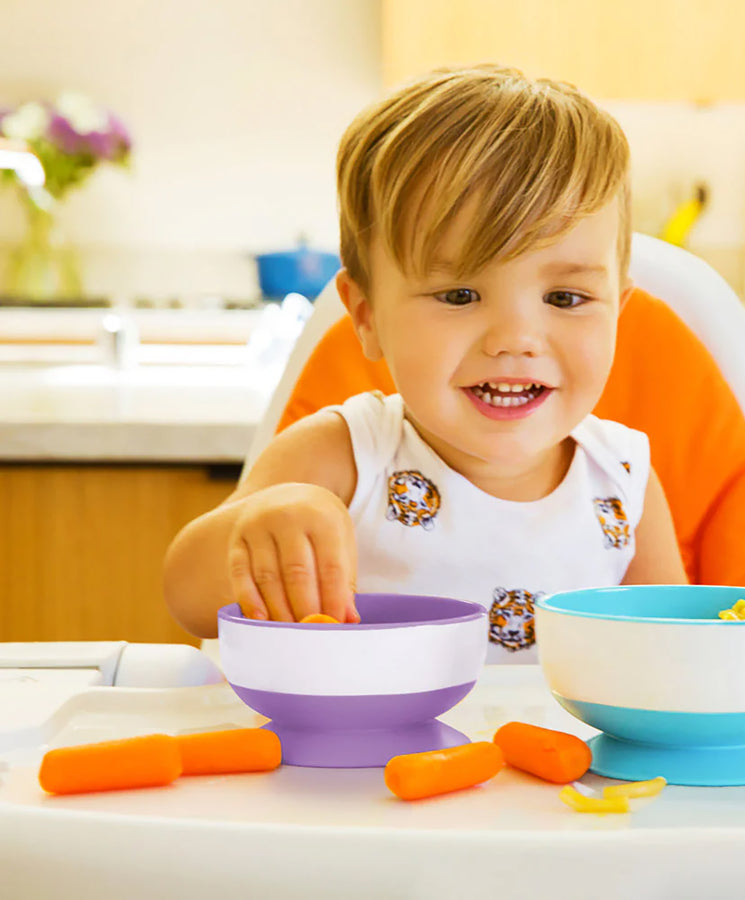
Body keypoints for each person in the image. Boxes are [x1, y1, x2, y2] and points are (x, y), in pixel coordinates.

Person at [163, 64, 687, 663]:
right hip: (363, 758)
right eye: (460, 295)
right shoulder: (340, 460)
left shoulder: (621, 478)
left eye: (565, 299)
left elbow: (668, 663)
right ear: (365, 316)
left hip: (558, 758)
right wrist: (255, 528)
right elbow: (188, 598)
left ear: (618, 310)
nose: (516, 339)